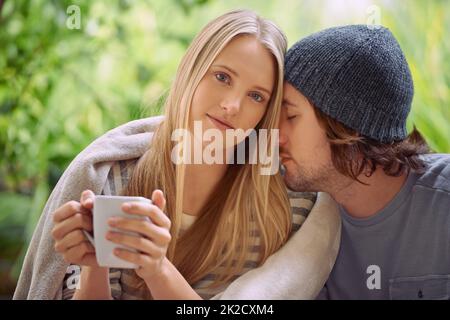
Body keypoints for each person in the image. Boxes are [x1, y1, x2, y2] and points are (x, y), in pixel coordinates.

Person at [13, 9, 341, 300]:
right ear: (191, 72)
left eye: (256, 96)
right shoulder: (111, 179)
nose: (232, 105)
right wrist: (95, 264)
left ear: (267, 112)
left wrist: (156, 270)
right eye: (222, 77)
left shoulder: (286, 207)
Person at [275, 25, 449, 299]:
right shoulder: (296, 218)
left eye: (291, 116)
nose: (276, 133)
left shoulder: (443, 205)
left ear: (348, 127)